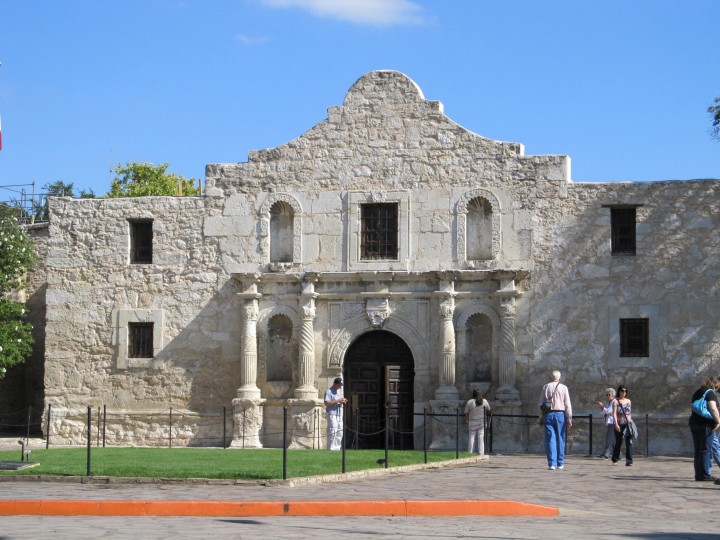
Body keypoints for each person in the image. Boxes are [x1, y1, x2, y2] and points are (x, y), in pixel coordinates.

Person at [537, 370, 572, 470]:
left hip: (548, 414)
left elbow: (540, 404)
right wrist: (569, 418)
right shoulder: (564, 388)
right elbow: (567, 405)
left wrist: (540, 417)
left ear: (550, 377)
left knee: (550, 439)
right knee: (561, 438)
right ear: (559, 378)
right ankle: (560, 463)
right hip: (560, 414)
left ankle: (552, 463)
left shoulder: (546, 387)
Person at [688, 377, 720, 481]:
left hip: (694, 423)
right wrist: (718, 421)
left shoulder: (698, 392)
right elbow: (713, 408)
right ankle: (705, 475)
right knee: (706, 449)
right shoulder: (710, 393)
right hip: (705, 424)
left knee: (698, 449)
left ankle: (699, 474)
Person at [611, 385, 634, 466]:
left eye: (625, 391)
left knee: (629, 442)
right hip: (619, 423)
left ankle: (629, 461)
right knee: (619, 442)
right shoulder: (616, 401)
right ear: (619, 391)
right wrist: (616, 424)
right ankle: (615, 459)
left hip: (627, 424)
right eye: (622, 391)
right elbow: (614, 413)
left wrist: (631, 423)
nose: (624, 392)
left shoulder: (628, 401)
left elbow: (629, 412)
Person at [465, 388, 492, 456]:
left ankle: (469, 452)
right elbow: (489, 409)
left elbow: (466, 412)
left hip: (472, 421)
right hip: (482, 421)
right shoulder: (484, 401)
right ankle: (481, 453)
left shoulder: (470, 402)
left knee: (471, 437)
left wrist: (467, 420)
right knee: (481, 437)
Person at [324, 377, 347, 451]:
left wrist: (344, 401)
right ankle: (331, 448)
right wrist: (337, 401)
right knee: (332, 430)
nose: (340, 386)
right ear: (334, 384)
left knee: (340, 431)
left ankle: (337, 448)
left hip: (338, 414)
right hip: (331, 414)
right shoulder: (328, 392)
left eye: (340, 385)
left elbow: (341, 400)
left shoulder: (338, 392)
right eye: (339, 385)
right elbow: (327, 403)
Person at [596, 387, 616, 459]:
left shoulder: (614, 402)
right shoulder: (610, 402)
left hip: (613, 422)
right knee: (612, 440)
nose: (607, 396)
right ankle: (618, 454)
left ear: (613, 395)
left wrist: (602, 406)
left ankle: (606, 454)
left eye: (609, 394)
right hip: (610, 422)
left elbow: (608, 411)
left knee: (609, 438)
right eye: (607, 395)